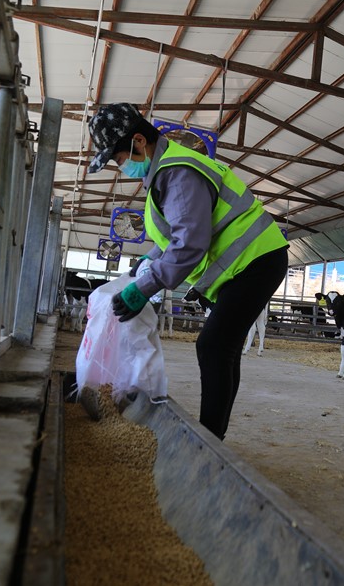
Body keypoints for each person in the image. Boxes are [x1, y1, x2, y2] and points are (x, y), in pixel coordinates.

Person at [86, 103, 289, 439]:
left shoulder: (177, 172)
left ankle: (209, 440)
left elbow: (190, 243)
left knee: (213, 346)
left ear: (139, 141)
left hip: (255, 260)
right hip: (247, 263)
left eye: (119, 159)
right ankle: (214, 437)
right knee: (222, 348)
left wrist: (144, 287)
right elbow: (174, 234)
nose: (121, 167)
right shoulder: (166, 171)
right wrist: (146, 263)